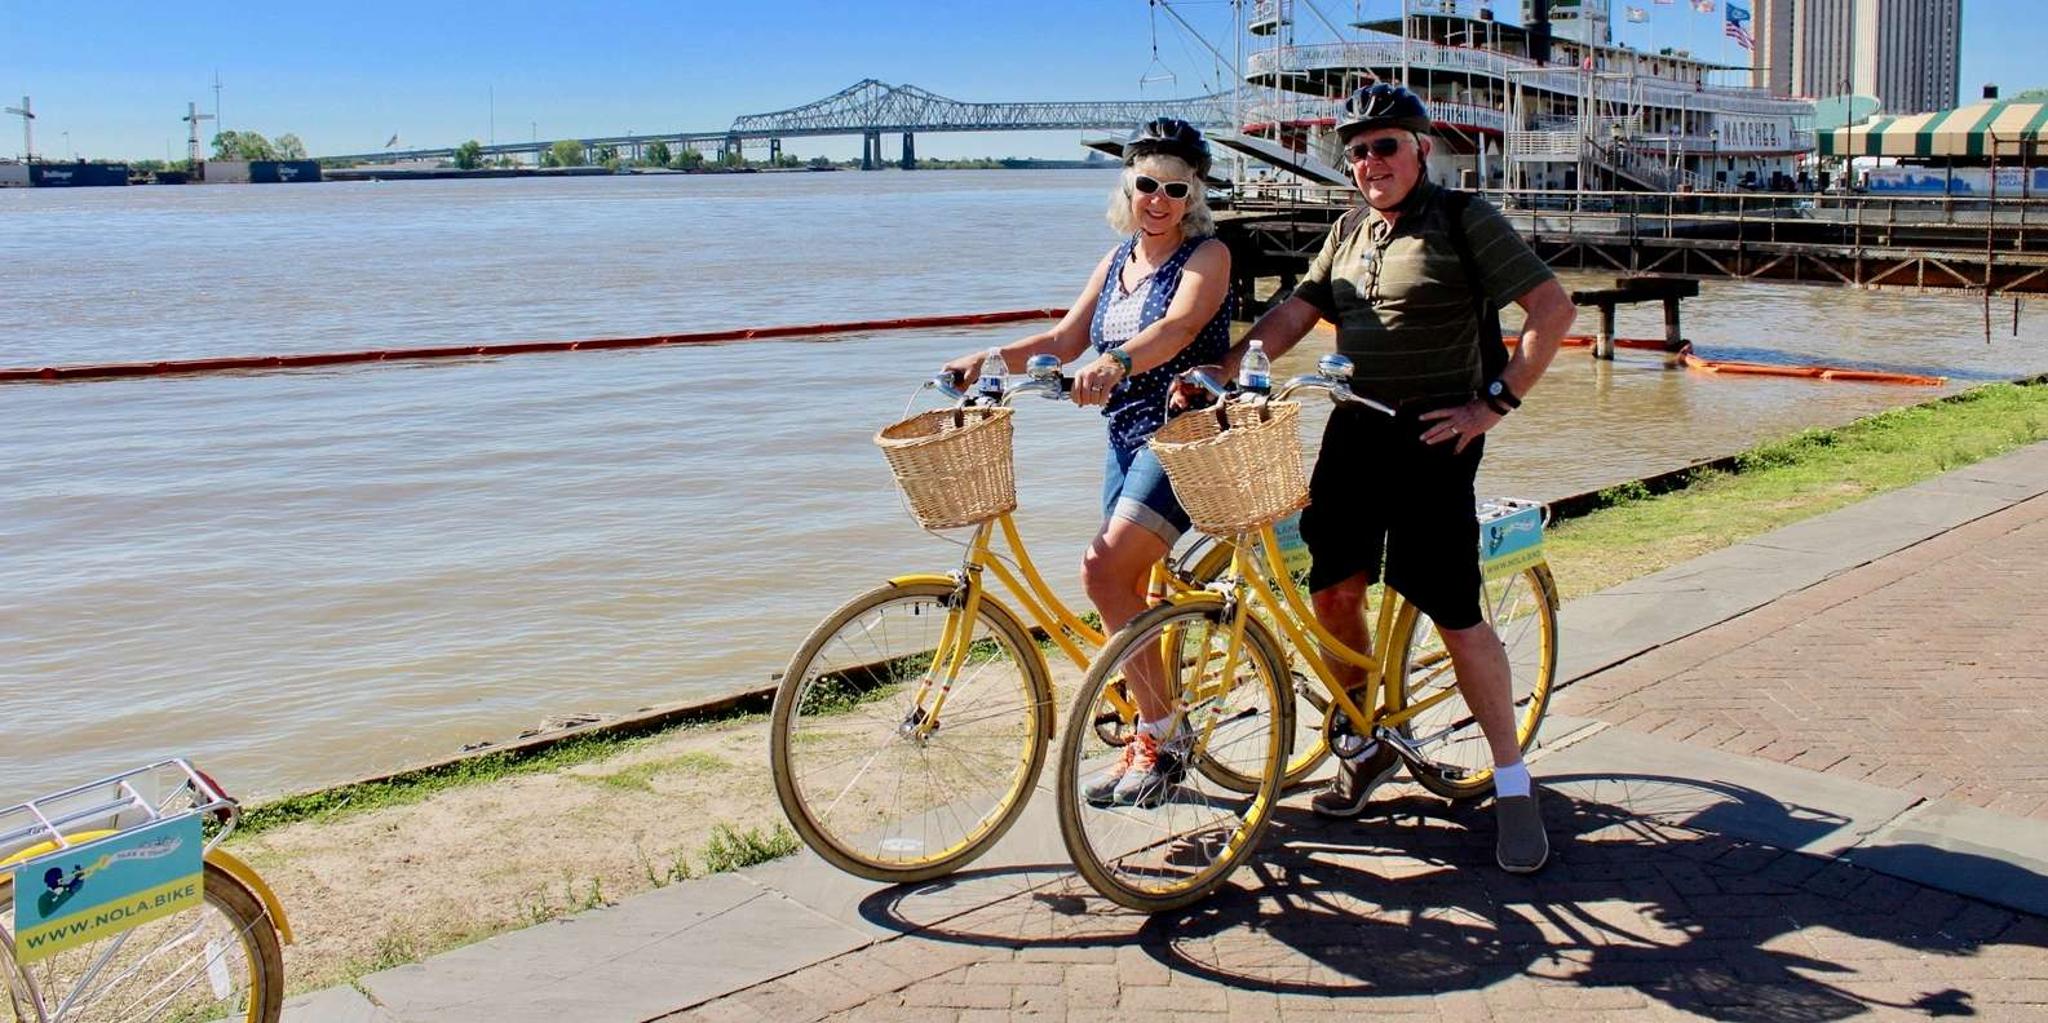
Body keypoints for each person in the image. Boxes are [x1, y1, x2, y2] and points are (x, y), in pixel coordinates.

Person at [1211, 84, 1576, 873]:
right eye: (1358, 151)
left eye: (1385, 146)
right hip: (1355, 431)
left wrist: (1494, 404)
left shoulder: (1464, 219)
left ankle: (1512, 780)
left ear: (1420, 150)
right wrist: (1235, 363)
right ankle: (1364, 742)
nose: (1370, 161)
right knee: (1334, 589)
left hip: (1436, 437)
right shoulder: (1347, 231)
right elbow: (1298, 309)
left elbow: (1552, 308)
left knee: (1450, 608)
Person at [943, 118, 1231, 807]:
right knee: (1124, 592)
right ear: (1127, 187)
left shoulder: (1207, 255)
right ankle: (1150, 735)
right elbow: (1064, 336)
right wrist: (984, 360)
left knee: (1103, 571)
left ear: (1192, 194)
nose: (1157, 200)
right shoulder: (1116, 261)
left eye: (1173, 187)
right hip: (1123, 435)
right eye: (1145, 185)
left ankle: (1166, 736)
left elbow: (1180, 328)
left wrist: (1118, 361)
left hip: (1183, 434)